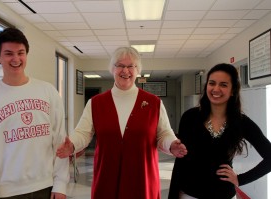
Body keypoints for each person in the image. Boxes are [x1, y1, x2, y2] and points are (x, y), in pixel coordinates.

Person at [56, 46, 187, 199]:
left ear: (137, 70)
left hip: (142, 178)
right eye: (120, 65)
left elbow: (164, 133)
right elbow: (83, 133)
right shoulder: (96, 103)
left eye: (131, 66)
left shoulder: (153, 103)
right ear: (112, 69)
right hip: (107, 177)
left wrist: (172, 144)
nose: (125, 71)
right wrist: (71, 145)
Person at [0, 27, 69, 199]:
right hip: (7, 192)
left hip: (46, 186)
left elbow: (60, 140)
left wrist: (60, 183)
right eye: (9, 53)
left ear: (26, 55)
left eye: (20, 53)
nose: (16, 59)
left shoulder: (48, 91)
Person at [168, 63, 271, 199]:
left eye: (223, 85)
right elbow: (181, 161)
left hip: (223, 194)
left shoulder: (241, 122)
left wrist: (241, 179)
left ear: (233, 90)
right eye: (212, 83)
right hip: (190, 193)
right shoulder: (190, 117)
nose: (216, 89)